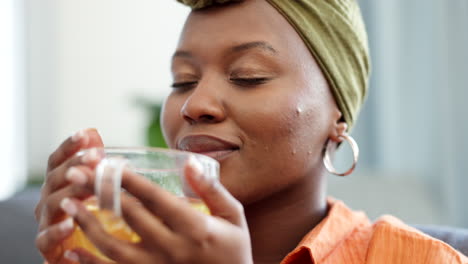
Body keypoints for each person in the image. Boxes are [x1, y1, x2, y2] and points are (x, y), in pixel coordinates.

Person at [34, 0, 468, 263]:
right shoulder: (123, 250)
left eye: (248, 76)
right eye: (182, 81)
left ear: (338, 113)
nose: (194, 105)